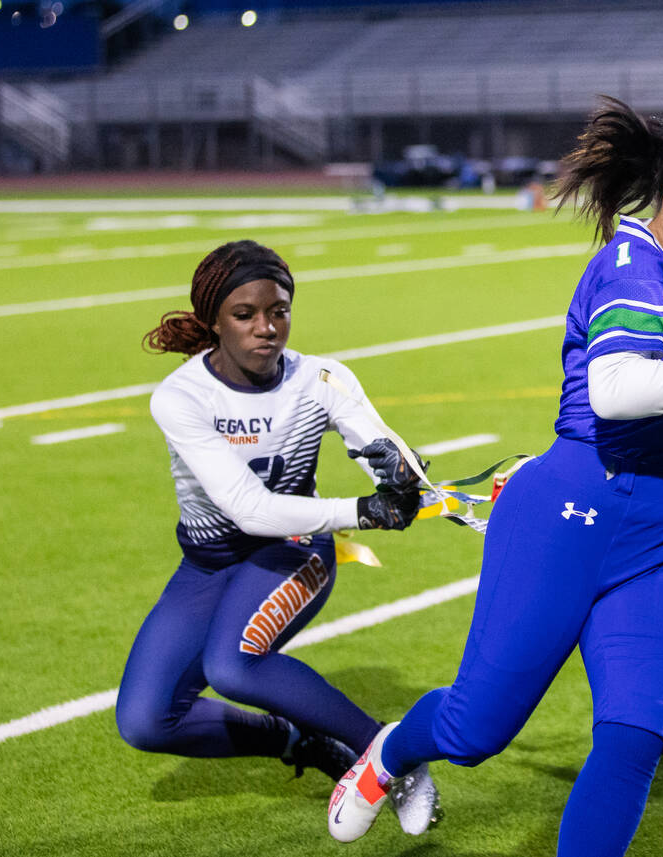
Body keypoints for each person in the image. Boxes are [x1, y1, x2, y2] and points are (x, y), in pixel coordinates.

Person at [326, 97, 663, 854]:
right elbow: (614, 391)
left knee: (636, 735)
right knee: (475, 730)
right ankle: (388, 754)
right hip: (567, 514)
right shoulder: (629, 263)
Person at [117, 240, 436, 827]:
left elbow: (376, 447)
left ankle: (395, 759)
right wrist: (362, 512)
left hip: (292, 551)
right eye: (245, 315)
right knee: (145, 722)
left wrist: (397, 468)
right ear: (213, 320)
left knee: (235, 666)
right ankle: (301, 742)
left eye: (279, 310)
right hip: (211, 562)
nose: (267, 328)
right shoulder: (181, 396)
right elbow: (248, 509)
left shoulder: (321, 378)